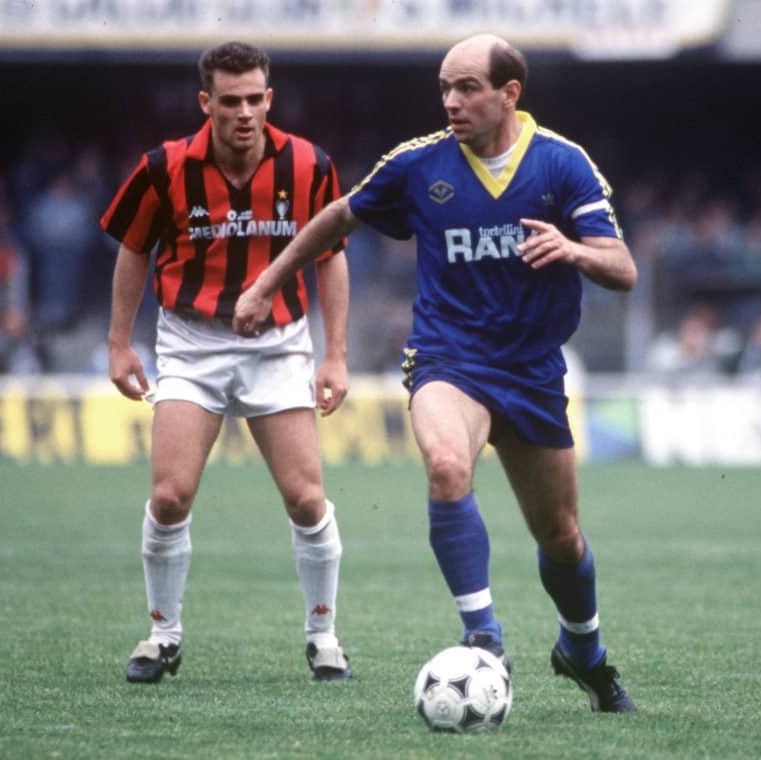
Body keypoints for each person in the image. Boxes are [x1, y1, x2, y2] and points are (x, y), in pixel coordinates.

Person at [235, 34, 637, 713]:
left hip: (532, 370)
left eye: (468, 88)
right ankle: (483, 634)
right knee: (448, 467)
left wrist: (572, 250)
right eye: (445, 88)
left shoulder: (562, 163)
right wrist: (266, 283)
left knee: (561, 537)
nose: (451, 101)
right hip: (448, 356)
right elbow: (337, 218)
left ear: (509, 93)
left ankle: (583, 650)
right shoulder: (418, 164)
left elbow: (622, 268)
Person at [99, 41, 353, 684]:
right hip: (191, 343)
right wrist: (119, 343)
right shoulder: (163, 168)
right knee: (170, 495)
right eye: (231, 101)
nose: (244, 113)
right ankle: (162, 636)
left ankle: (323, 636)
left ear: (270, 99)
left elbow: (332, 256)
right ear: (205, 102)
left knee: (306, 498)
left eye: (255, 100)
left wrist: (336, 355)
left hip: (278, 345)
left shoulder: (309, 164)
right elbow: (133, 248)